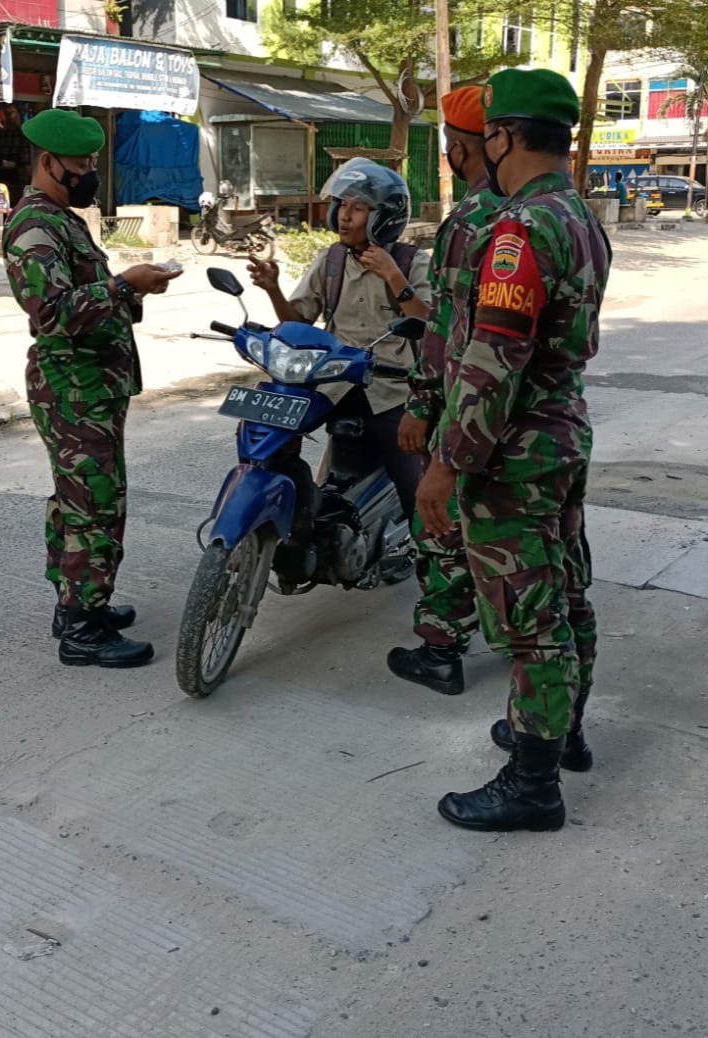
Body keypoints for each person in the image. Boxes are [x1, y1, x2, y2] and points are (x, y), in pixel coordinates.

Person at [417, 67, 610, 832]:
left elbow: (492, 360)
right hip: (561, 434)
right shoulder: (579, 216)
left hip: (513, 450)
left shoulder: (518, 231)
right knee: (564, 596)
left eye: (486, 134)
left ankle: (532, 785)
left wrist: (444, 464)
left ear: (501, 135)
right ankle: (564, 735)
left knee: (530, 621)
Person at [3, 108, 181, 669]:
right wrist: (122, 285)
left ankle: (77, 602)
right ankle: (83, 629)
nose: (87, 172)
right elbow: (50, 312)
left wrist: (132, 289)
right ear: (48, 161)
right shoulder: (34, 227)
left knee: (78, 501)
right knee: (94, 508)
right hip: (72, 389)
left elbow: (89, 296)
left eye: (92, 162)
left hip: (94, 387)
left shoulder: (64, 219)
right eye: (79, 163)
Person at [387, 85, 501, 697]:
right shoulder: (558, 213)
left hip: (468, 406)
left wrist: (422, 405)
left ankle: (439, 650)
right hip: (532, 417)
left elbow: (448, 328)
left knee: (442, 524)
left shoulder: (473, 220)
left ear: (460, 149)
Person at [246, 158, 433, 522]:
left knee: (417, 490)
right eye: (342, 206)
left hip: (389, 391)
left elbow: (429, 323)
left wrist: (394, 276)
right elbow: (299, 321)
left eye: (358, 208)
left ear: (384, 216)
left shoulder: (413, 262)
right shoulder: (331, 260)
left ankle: (433, 562)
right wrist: (272, 289)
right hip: (333, 384)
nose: (345, 216)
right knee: (271, 433)